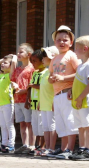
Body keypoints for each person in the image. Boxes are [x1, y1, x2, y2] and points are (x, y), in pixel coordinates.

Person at [47, 25, 81, 159]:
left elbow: (80, 72)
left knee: (69, 121)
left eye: (65, 40)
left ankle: (70, 150)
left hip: (68, 93)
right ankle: (63, 148)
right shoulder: (55, 59)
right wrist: (51, 79)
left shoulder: (71, 55)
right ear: (54, 42)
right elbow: (51, 75)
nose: (62, 42)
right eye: (59, 40)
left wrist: (65, 79)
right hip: (57, 94)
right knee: (61, 123)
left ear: (71, 42)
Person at [10, 43, 35, 154]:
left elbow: (32, 85)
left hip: (27, 100)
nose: (18, 54)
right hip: (17, 99)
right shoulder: (18, 69)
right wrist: (14, 85)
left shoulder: (32, 68)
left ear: (29, 54)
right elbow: (12, 79)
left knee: (29, 122)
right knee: (22, 123)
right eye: (18, 52)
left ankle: (32, 145)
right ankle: (25, 144)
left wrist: (23, 91)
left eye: (21, 52)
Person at [68, 35, 89, 160]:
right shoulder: (81, 66)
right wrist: (71, 91)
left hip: (85, 102)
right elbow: (78, 82)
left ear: (85, 49)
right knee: (81, 126)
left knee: (87, 126)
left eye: (76, 48)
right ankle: (82, 148)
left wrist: (81, 97)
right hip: (78, 101)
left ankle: (87, 149)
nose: (75, 51)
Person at [25, 49, 47, 153]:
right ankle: (37, 145)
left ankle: (42, 146)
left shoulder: (46, 73)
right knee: (36, 126)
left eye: (35, 61)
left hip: (41, 103)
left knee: (42, 125)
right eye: (31, 61)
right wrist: (26, 100)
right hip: (33, 104)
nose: (32, 63)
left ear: (43, 61)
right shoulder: (35, 73)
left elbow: (42, 87)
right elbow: (29, 87)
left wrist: (32, 85)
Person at [39, 46, 59, 156]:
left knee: (52, 125)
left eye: (44, 56)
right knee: (45, 126)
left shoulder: (54, 71)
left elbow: (56, 88)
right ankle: (47, 147)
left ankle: (52, 148)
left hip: (51, 103)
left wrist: (53, 102)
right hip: (44, 104)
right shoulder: (46, 72)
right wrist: (40, 103)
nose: (42, 59)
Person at [0, 55, 15, 153]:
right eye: (2, 63)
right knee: (2, 125)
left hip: (8, 103)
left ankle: (11, 145)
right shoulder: (0, 75)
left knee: (9, 124)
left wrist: (13, 57)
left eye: (5, 63)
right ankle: (4, 143)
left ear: (10, 66)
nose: (2, 64)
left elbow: (14, 63)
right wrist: (4, 59)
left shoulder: (9, 75)